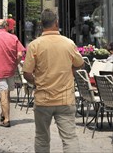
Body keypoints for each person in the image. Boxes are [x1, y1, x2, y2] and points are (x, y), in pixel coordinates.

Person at [23, 9, 84, 153]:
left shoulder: (34, 45)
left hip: (43, 99)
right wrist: (70, 72)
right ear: (56, 23)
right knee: (70, 138)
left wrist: (36, 82)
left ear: (41, 24)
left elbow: (26, 73)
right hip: (65, 99)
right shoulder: (68, 43)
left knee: (42, 138)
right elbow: (80, 64)